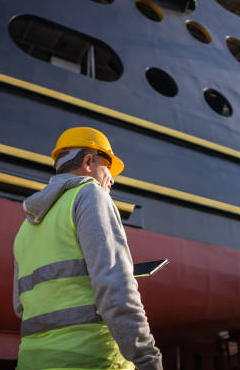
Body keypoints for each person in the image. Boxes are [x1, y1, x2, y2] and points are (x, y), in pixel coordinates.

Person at [12, 127, 163, 370]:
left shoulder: (25, 229)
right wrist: (148, 359)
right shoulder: (89, 194)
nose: (112, 179)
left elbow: (22, 307)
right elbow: (115, 288)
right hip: (92, 360)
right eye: (109, 168)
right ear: (88, 161)